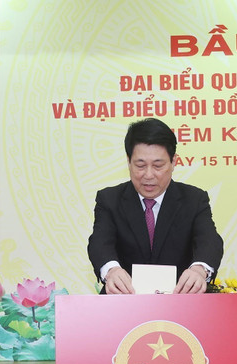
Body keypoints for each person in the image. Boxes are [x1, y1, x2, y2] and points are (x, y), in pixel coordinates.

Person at [87, 118, 224, 294]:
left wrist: (199, 269)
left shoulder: (194, 199)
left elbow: (209, 240)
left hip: (182, 301)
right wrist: (112, 270)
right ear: (128, 161)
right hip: (123, 302)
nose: (149, 175)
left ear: (174, 162)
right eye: (140, 165)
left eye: (158, 165)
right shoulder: (109, 199)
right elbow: (99, 243)